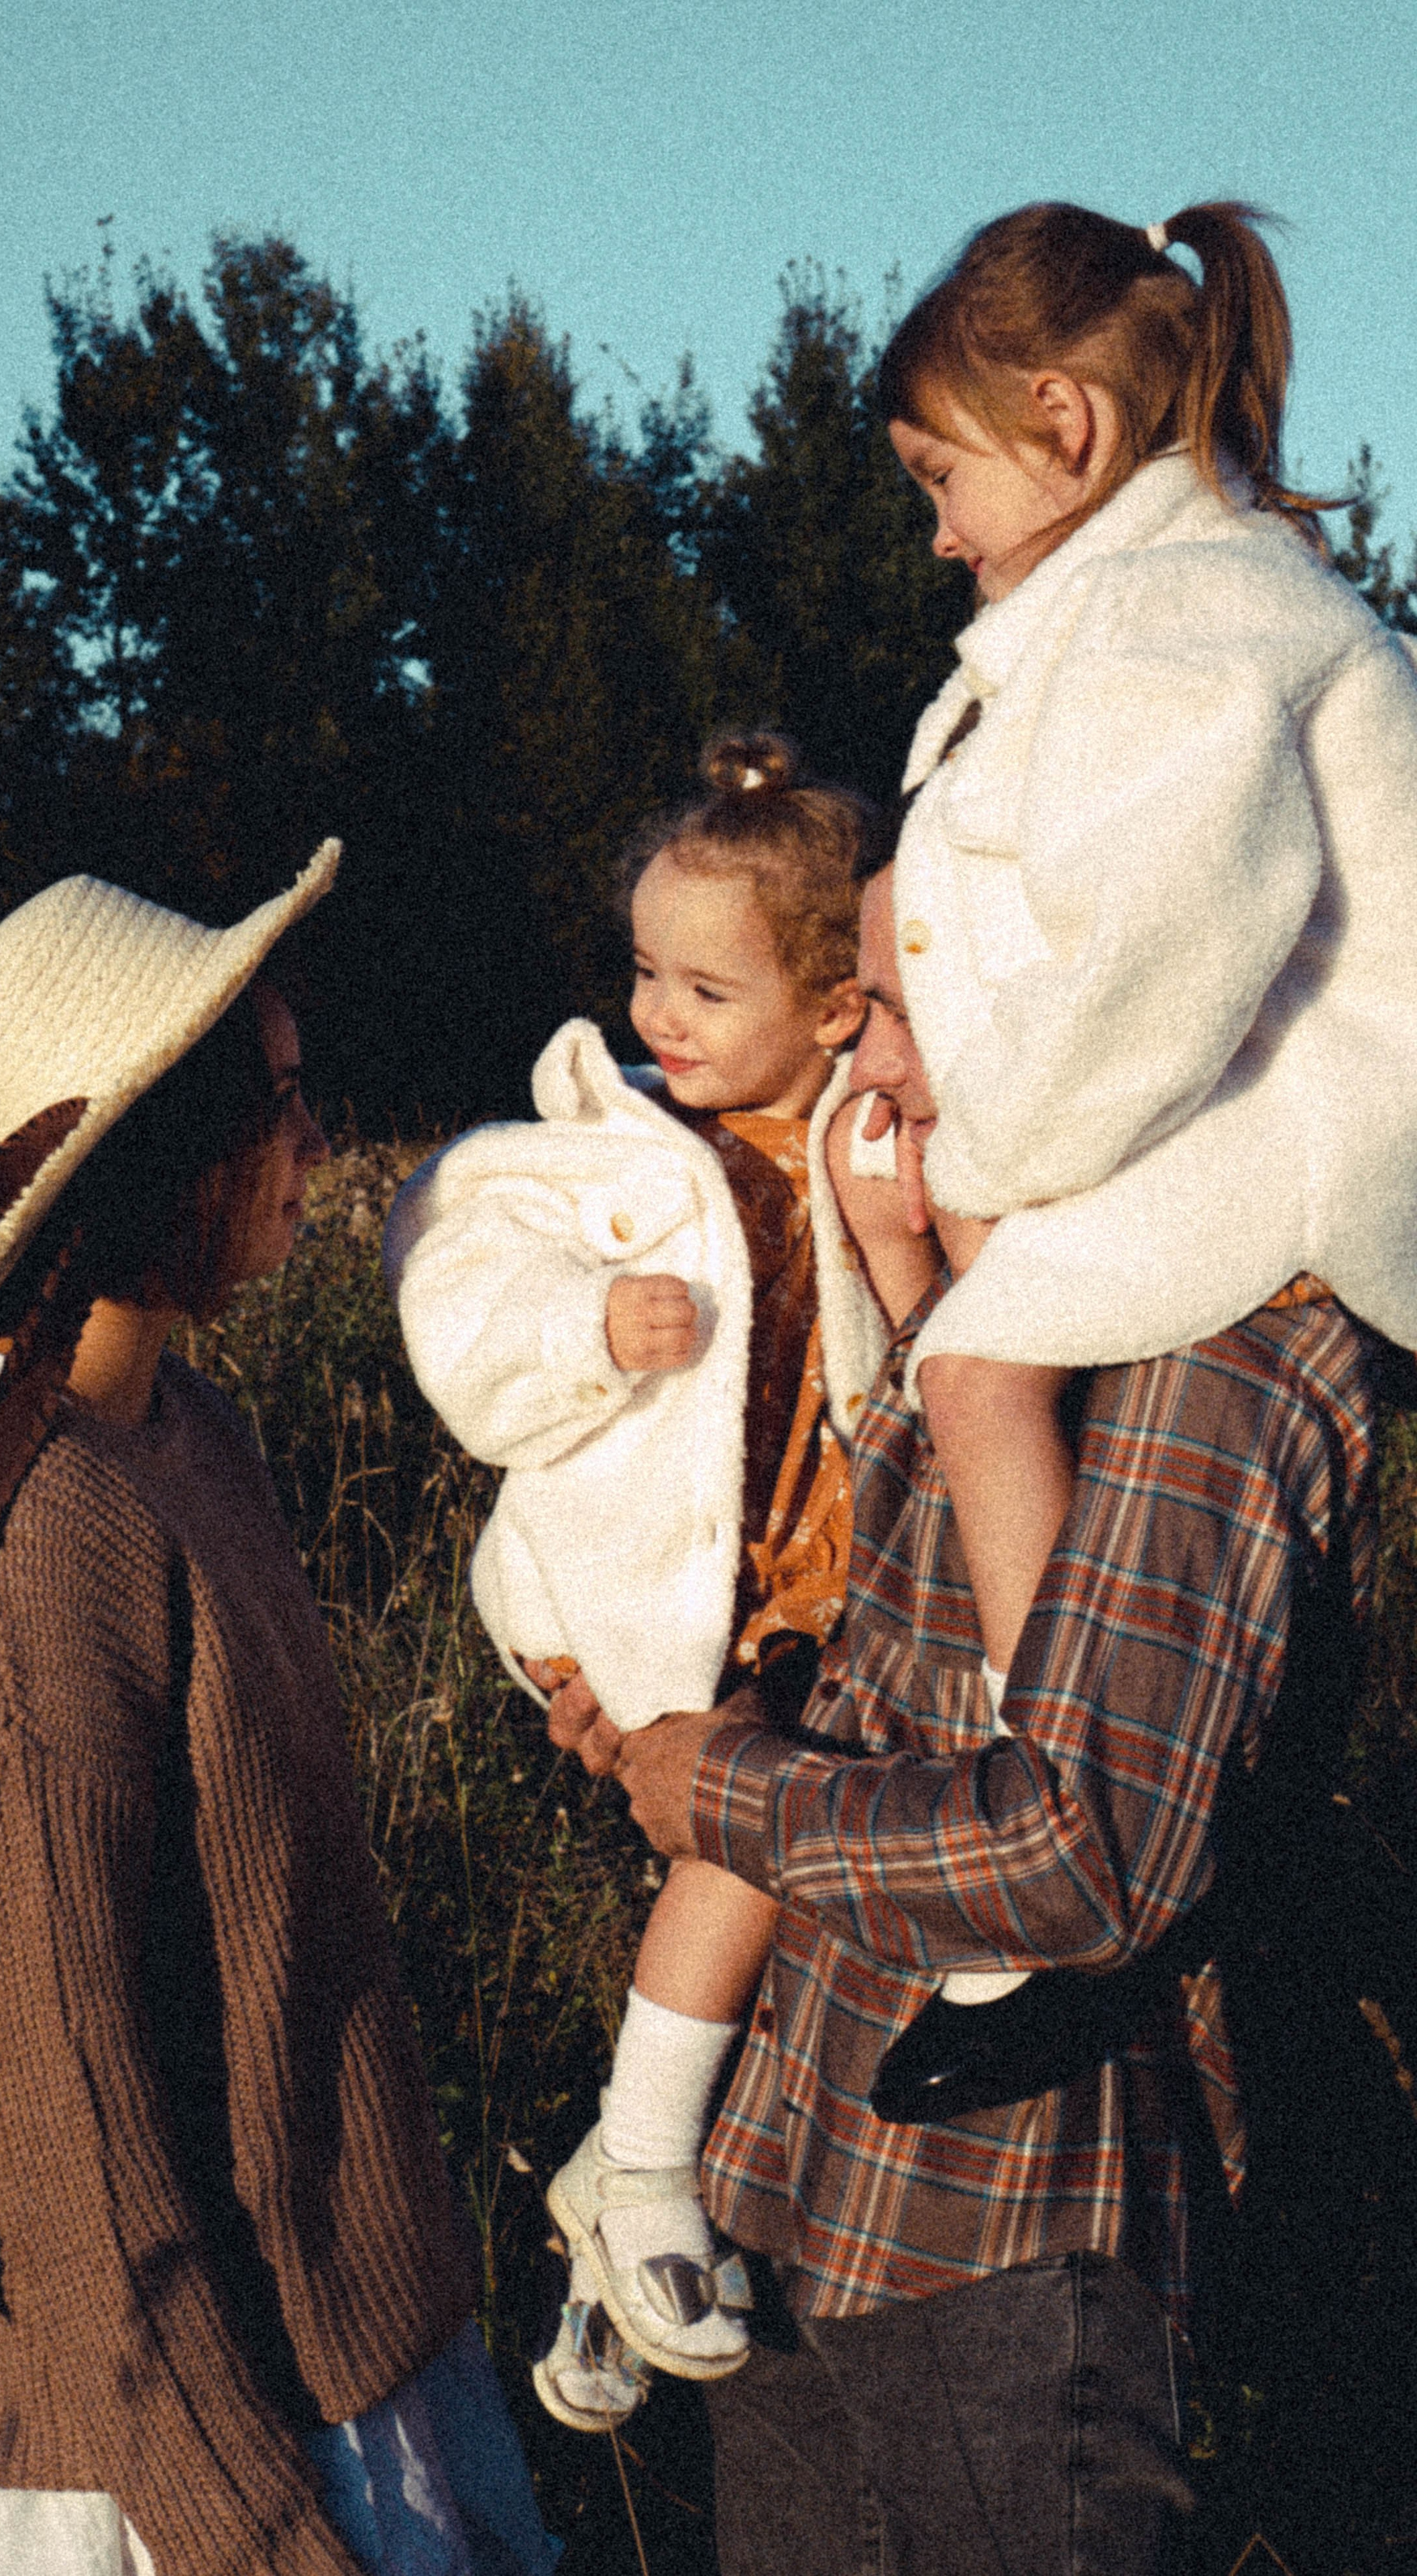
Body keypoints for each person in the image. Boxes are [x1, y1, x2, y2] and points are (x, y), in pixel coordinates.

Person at [573, 844, 1381, 2575]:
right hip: (797, 2177)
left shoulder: (1216, 1352)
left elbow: (1084, 1856)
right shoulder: (1003, 1271)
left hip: (1008, 2243)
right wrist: (676, 1710)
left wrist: (723, 1794)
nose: (861, 1061)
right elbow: (894, 1650)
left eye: (898, 1006)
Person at [0, 853, 559, 2576]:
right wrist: (252, 2538)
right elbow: (60, 2117)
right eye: (280, 1105)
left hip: (327, 2347)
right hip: (163, 2453)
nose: (318, 1144)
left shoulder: (177, 1428)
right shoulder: (25, 1540)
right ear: (164, 1149)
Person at [854, 198, 1417, 2063]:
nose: (936, 532)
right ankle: (1102, 1804)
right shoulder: (1157, 602)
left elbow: (1164, 946)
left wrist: (985, 1159)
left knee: (975, 1361)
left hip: (1295, 1152)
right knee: (984, 1358)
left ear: (1065, 423)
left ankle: (1066, 1824)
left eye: (941, 476)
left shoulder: (1182, 619)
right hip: (1238, 1127)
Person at [386, 735, 936, 2427]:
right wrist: (582, 1324)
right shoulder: (608, 1145)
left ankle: (607, 2258)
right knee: (748, 1840)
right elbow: (445, 1251)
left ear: (834, 1008)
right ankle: (636, 2162)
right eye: (643, 973)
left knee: (790, 1914)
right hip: (648, 1591)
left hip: (814, 1584)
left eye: (706, 987)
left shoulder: (864, 1133)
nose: (658, 1017)